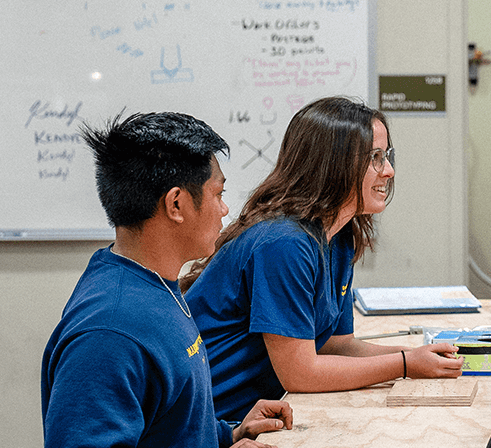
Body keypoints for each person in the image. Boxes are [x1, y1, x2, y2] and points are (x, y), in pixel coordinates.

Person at [185, 96, 463, 421]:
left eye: (386, 156)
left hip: (262, 411)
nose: (388, 170)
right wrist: (404, 365)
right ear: (334, 163)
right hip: (217, 425)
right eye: (374, 158)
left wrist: (419, 355)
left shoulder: (339, 234)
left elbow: (335, 346)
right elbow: (300, 374)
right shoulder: (284, 243)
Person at [41, 112, 293, 447]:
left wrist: (229, 433)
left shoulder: (155, 285)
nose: (224, 209)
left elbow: (167, 426)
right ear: (176, 204)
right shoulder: (110, 333)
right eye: (218, 193)